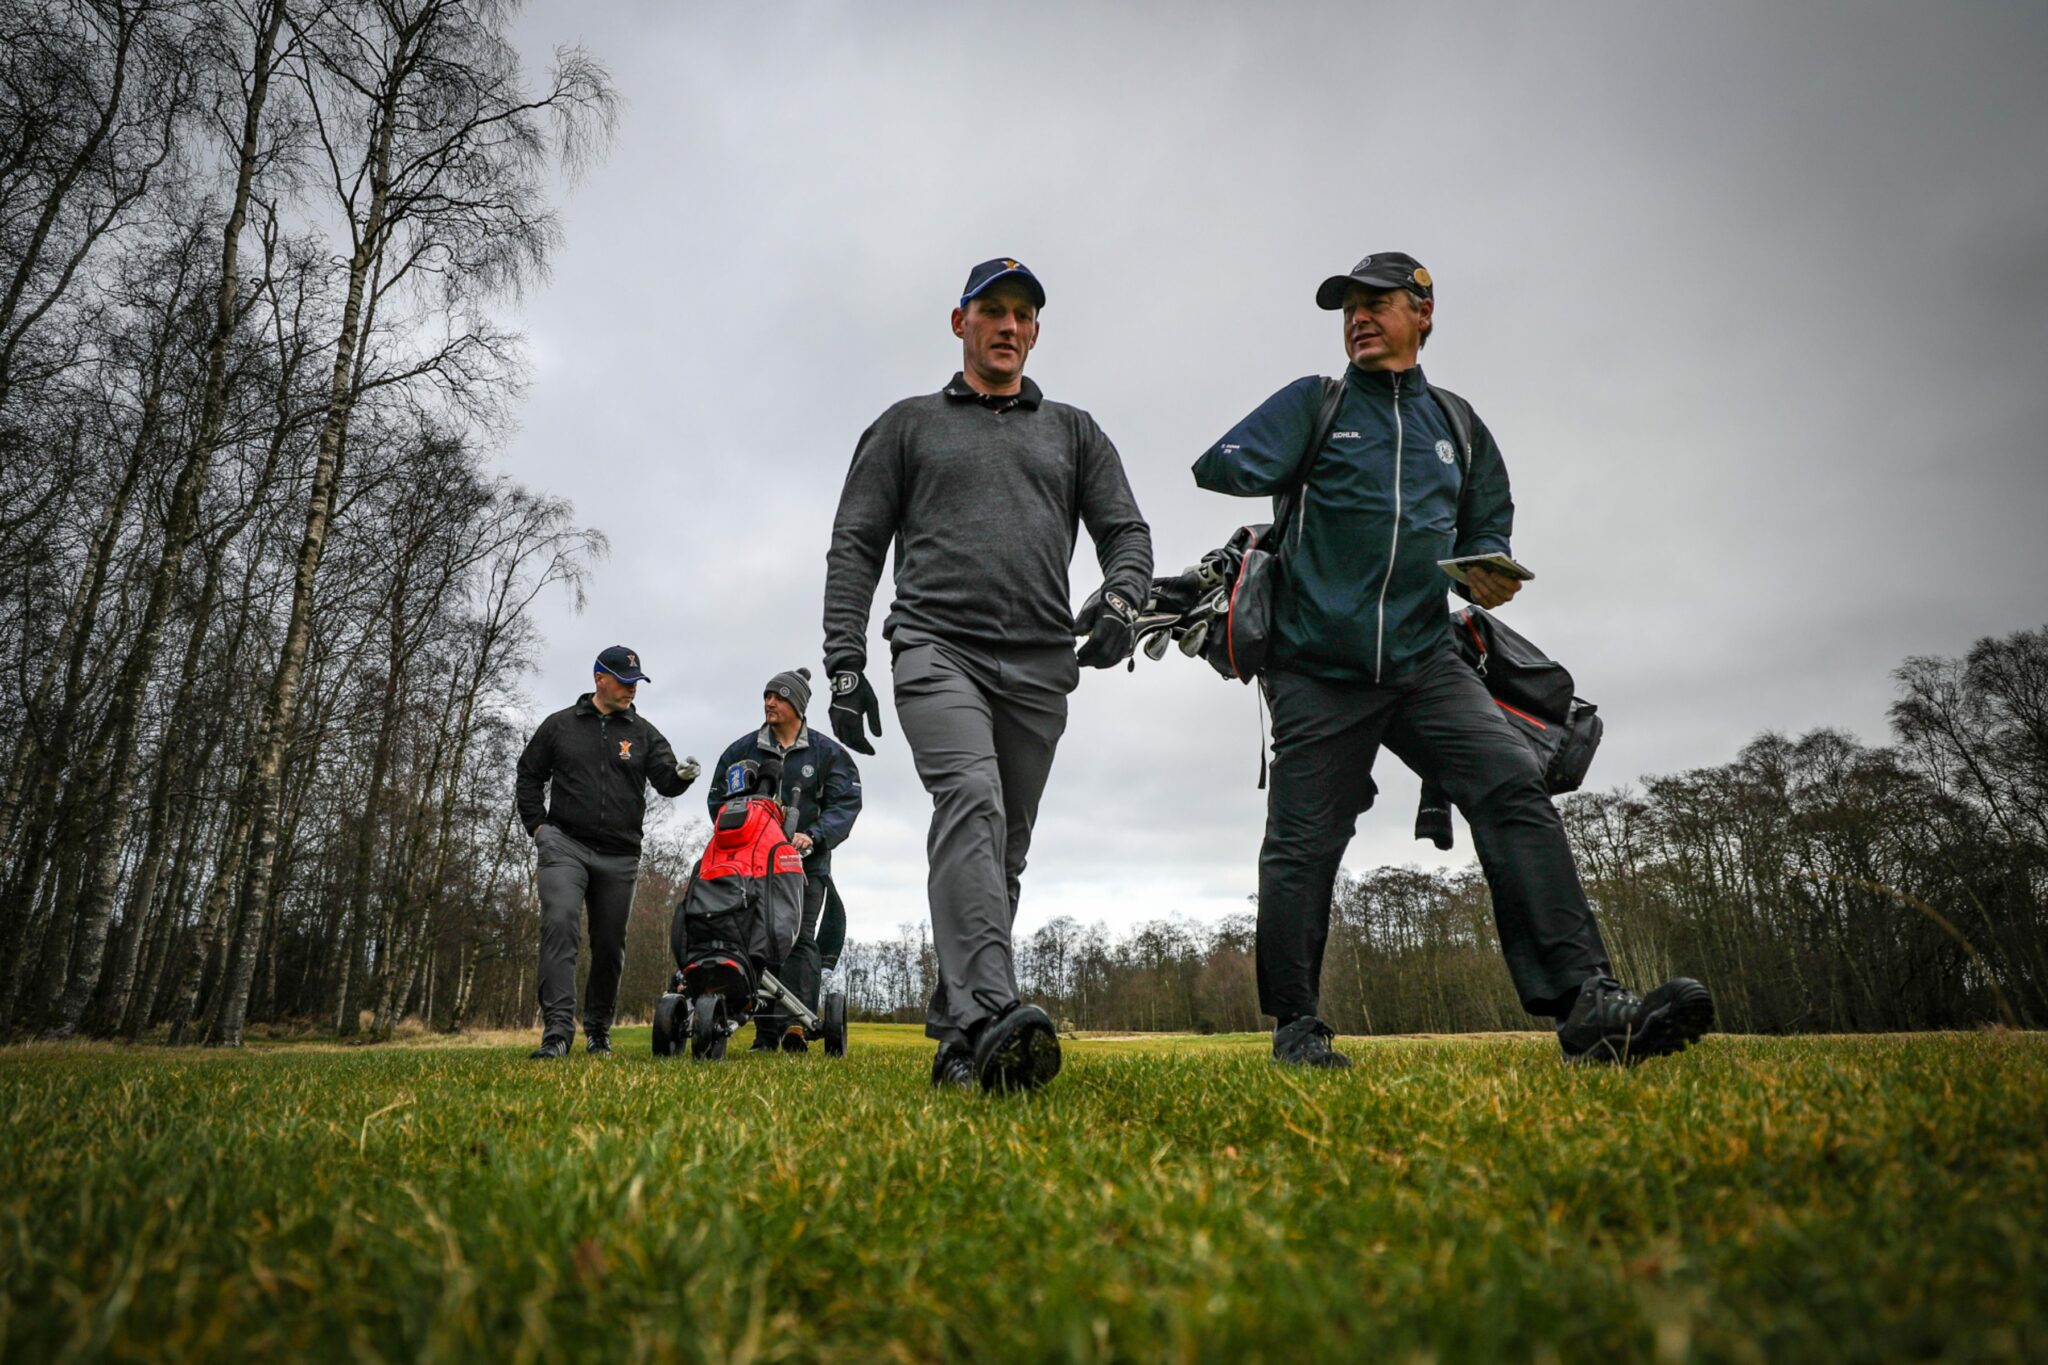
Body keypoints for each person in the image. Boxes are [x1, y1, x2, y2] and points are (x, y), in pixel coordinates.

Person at [1192, 252, 1713, 1068]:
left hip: (1424, 659)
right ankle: (1296, 1026)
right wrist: (1267, 457)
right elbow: (1215, 464)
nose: (1359, 318)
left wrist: (1486, 570)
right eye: (1349, 308)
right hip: (1315, 665)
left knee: (1512, 784)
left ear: (1423, 313)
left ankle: (1588, 1004)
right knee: (1302, 843)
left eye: (1378, 302)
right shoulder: (1317, 403)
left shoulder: (1458, 427)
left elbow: (1487, 523)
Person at [823, 257, 1154, 1090]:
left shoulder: (1075, 432)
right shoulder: (907, 425)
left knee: (1001, 850)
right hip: (937, 646)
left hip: (1040, 663)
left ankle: (957, 1043)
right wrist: (844, 661)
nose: (1009, 326)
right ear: (959, 322)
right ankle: (993, 1016)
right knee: (971, 798)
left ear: (1036, 332)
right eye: (993, 310)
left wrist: (1123, 597)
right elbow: (856, 544)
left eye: (1023, 315)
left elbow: (1126, 532)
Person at [514, 646, 700, 1058]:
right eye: (624, 681)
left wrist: (682, 776)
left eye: (637, 682)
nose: (632, 689)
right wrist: (538, 827)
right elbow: (528, 775)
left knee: (610, 944)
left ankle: (598, 1031)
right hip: (565, 845)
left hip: (620, 854)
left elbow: (666, 781)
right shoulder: (560, 726)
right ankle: (557, 1033)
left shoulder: (643, 733)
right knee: (560, 925)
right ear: (600, 678)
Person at [707, 667, 862, 1052]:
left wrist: (815, 835)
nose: (769, 702)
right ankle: (765, 1035)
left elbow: (846, 803)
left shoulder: (827, 754)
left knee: (798, 939)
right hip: (751, 868)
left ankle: (797, 1026)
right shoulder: (742, 751)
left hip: (806, 867)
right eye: (767, 696)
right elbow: (718, 802)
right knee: (759, 941)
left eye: (778, 696)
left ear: (798, 705)